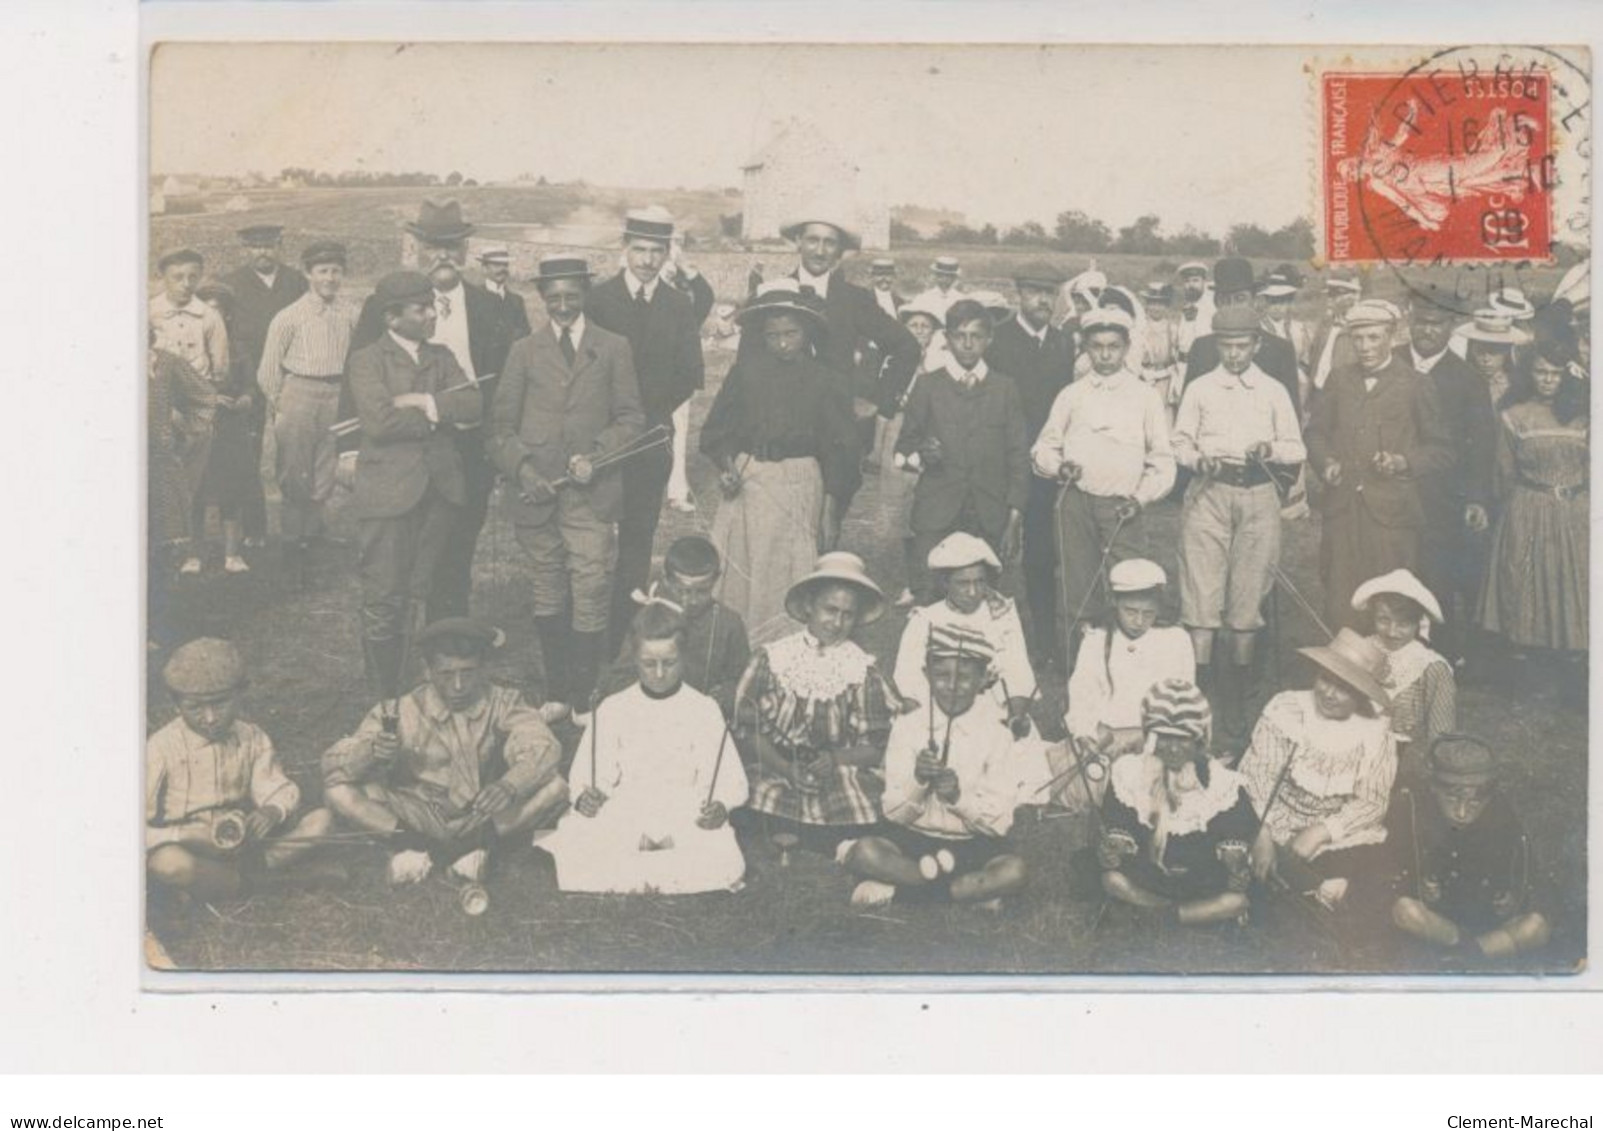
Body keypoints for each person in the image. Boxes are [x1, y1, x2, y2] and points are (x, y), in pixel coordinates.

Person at [490, 255, 646, 723]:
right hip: (537, 496)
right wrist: (523, 472)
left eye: (571, 296)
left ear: (585, 295)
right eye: (553, 296)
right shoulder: (523, 351)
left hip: (590, 496)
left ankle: (583, 696)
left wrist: (596, 458)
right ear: (541, 298)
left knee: (592, 585)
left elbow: (632, 419)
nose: (562, 304)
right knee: (547, 588)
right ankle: (557, 692)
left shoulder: (613, 347)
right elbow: (498, 427)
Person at [354, 200, 518, 622]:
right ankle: (406, 637)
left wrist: (503, 441)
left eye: (452, 245)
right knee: (405, 552)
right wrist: (346, 448)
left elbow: (508, 382)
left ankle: (451, 639)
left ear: (466, 250)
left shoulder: (493, 306)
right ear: (416, 246)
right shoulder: (384, 305)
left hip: (471, 443)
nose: (443, 255)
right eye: (433, 245)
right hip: (403, 449)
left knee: (459, 545)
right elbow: (356, 376)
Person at [323, 618, 566, 893]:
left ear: (484, 667)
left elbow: (542, 745)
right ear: (428, 671)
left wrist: (510, 785)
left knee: (555, 786)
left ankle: (452, 850)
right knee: (339, 792)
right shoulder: (400, 710)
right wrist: (370, 751)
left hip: (483, 813)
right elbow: (332, 765)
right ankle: (436, 849)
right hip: (418, 814)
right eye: (446, 674)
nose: (459, 686)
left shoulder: (504, 702)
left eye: (468, 672)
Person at [538, 602, 749, 894]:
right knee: (581, 838)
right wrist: (588, 795)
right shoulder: (614, 707)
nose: (659, 674)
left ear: (683, 657)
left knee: (726, 860)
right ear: (635, 658)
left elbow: (725, 775)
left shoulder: (704, 708)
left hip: (684, 807)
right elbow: (591, 770)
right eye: (649, 664)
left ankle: (632, 872)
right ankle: (666, 873)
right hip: (627, 806)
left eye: (670, 662)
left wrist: (720, 805)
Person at [1170, 305, 1306, 746]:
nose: (1233, 355)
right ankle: (1198, 693)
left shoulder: (1272, 391)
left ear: (1257, 344)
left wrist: (1270, 448)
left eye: (1242, 345)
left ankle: (1237, 697)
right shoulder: (1200, 388)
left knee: (1248, 597)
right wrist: (1196, 459)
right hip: (1209, 493)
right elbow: (1179, 441)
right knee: (1201, 593)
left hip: (1258, 496)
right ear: (1216, 346)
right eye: (1226, 346)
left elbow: (1295, 447)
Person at [346, 271, 483, 705]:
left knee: (434, 591)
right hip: (388, 495)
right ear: (392, 317)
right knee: (386, 596)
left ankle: (435, 690)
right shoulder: (367, 360)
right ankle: (386, 699)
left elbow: (474, 403)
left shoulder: (442, 356)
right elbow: (378, 422)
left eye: (432, 307)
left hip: (441, 491)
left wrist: (421, 402)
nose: (430, 315)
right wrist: (441, 412)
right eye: (421, 308)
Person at [701, 284, 861, 638]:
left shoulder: (826, 379)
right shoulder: (745, 373)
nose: (783, 343)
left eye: (791, 333)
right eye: (773, 336)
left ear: (807, 333)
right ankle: (741, 647)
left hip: (800, 482)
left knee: (789, 569)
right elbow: (715, 432)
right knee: (744, 568)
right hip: (750, 482)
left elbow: (842, 451)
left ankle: (787, 648)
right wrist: (727, 469)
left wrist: (830, 512)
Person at [586, 206, 713, 652]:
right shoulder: (597, 300)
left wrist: (649, 414)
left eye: (655, 251)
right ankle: (586, 626)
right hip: (601, 441)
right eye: (638, 249)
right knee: (593, 537)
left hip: (652, 439)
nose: (646, 260)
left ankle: (621, 633)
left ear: (667, 255)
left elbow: (689, 372)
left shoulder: (679, 305)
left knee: (637, 540)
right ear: (625, 250)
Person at [842, 624, 1030, 910]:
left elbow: (1000, 824)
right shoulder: (907, 727)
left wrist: (958, 798)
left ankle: (900, 893)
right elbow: (893, 813)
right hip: (914, 840)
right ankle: (963, 895)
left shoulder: (998, 736)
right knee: (865, 852)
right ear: (927, 675)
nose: (952, 685)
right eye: (941, 675)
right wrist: (917, 781)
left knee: (1015, 871)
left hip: (972, 843)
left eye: (965, 676)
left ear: (983, 679)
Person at [741, 216, 920, 509]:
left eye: (829, 243)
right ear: (798, 241)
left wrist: (876, 401)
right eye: (812, 240)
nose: (820, 250)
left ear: (840, 250)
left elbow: (907, 346)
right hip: (779, 431)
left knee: (826, 527)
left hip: (836, 434)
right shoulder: (771, 294)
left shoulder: (854, 299)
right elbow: (747, 365)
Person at [736, 553, 902, 857]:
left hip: (837, 767)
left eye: (847, 615)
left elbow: (877, 745)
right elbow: (746, 730)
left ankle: (814, 838)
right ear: (810, 605)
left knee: (861, 804)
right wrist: (785, 767)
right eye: (830, 610)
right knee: (750, 796)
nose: (837, 623)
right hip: (774, 763)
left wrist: (836, 758)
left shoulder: (861, 670)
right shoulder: (772, 658)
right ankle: (819, 839)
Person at [1031, 306, 1174, 651]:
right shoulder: (1072, 395)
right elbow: (1042, 449)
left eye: (1113, 346)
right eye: (1097, 346)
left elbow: (1163, 461)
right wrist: (1059, 466)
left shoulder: (1145, 397)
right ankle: (1080, 666)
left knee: (1131, 583)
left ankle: (1129, 658)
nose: (1105, 354)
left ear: (1126, 348)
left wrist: (1140, 499)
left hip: (1123, 507)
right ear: (1086, 347)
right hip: (1076, 503)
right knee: (1077, 585)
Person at [147, 639, 333, 903]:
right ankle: (274, 883)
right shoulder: (160, 748)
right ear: (175, 704)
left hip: (240, 843)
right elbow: (129, 827)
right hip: (187, 846)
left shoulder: (251, 737)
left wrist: (272, 811)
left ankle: (219, 883)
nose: (210, 718)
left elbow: (277, 789)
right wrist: (185, 835)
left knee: (322, 821)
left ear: (240, 695)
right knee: (170, 864)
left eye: (221, 704)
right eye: (195, 707)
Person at [1306, 300, 1453, 631]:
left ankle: (1389, 675)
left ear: (1392, 336)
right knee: (1340, 598)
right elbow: (1315, 432)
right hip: (1343, 511)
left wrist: (1403, 461)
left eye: (1374, 338)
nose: (1365, 347)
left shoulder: (1416, 383)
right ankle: (1345, 673)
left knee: (1390, 600)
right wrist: (1325, 462)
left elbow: (1441, 449)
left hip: (1391, 516)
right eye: (1357, 339)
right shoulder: (1339, 379)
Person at [1240, 628, 1398, 922]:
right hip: (1275, 816)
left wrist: (1320, 832)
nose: (1328, 692)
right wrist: (1262, 831)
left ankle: (1313, 890)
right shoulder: (1288, 709)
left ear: (1362, 695)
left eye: (1343, 688)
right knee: (1251, 850)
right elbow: (1256, 776)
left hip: (1330, 828)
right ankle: (1312, 891)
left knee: (1371, 859)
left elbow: (1372, 803)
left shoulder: (1376, 733)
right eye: (1325, 679)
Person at [1477, 332, 1589, 704]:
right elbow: (1503, 472)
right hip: (1529, 506)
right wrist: (1513, 511)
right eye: (1541, 372)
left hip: (1576, 510)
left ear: (1567, 376)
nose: (1547, 380)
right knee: (1526, 584)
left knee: (1573, 585)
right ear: (1530, 374)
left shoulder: (1583, 415)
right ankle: (1532, 674)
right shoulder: (1513, 415)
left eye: (1555, 374)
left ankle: (1575, 672)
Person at [896, 299, 1030, 605]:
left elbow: (1018, 457)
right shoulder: (928, 386)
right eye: (960, 335)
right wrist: (922, 455)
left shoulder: (1005, 388)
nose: (968, 344)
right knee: (930, 595)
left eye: (976, 336)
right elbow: (902, 450)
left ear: (989, 339)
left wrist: (1013, 519)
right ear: (946, 339)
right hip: (936, 511)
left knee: (984, 597)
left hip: (989, 513)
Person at [1096, 679, 1257, 925]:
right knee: (1112, 880)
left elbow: (1236, 834)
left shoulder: (1222, 786)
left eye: (1183, 739)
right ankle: (1179, 914)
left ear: (1200, 740)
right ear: (1150, 736)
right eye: (1164, 737)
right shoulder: (1128, 774)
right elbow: (1118, 822)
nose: (1172, 749)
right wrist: (1114, 848)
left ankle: (1157, 914)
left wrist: (1236, 863)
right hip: (1148, 875)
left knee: (1236, 899)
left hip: (1200, 880)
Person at [987, 261, 1077, 666]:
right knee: (992, 548)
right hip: (1001, 460)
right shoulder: (997, 339)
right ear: (1018, 295)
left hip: (1044, 465)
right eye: (1035, 292)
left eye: (1051, 293)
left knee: (1042, 554)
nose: (1044, 300)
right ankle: (986, 639)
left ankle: (1045, 642)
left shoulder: (1063, 343)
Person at [1390, 735, 1551, 959]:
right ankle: (1474, 953)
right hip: (1439, 923)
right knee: (1406, 911)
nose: (1462, 813)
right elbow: (1391, 879)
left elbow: (1525, 877)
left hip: (1486, 922)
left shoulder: (1502, 815)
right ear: (1435, 790)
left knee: (1536, 926)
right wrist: (1419, 888)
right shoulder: (1413, 812)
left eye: (1474, 802)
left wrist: (1512, 899)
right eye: (1453, 800)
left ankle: (1463, 955)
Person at [257, 241, 359, 585]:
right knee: (294, 475)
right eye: (323, 271)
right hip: (299, 393)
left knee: (324, 474)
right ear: (308, 274)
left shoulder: (350, 313)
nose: (330, 278)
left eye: (336, 271)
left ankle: (312, 544)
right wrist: (281, 404)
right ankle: (291, 552)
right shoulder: (289, 316)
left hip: (337, 395)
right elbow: (268, 370)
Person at [1406, 296, 1498, 667]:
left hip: (1444, 494)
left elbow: (1482, 443)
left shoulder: (1467, 377)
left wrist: (1476, 498)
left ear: (1449, 329)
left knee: (1438, 570)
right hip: (1392, 488)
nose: (1428, 330)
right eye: (1421, 322)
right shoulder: (1390, 361)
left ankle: (1440, 654)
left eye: (1437, 323)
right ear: (1409, 322)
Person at [893, 533, 1036, 734]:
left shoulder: (1001, 616)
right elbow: (908, 676)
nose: (972, 592)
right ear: (945, 584)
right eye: (963, 583)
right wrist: (924, 726)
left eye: (979, 582)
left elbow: (1017, 670)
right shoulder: (925, 619)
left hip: (993, 712)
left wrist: (1015, 716)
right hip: (938, 709)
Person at [598, 534, 751, 718]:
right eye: (683, 591)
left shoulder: (729, 623)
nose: (692, 600)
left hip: (705, 716)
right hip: (652, 713)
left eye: (702, 591)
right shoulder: (651, 619)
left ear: (717, 578)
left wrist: (726, 693)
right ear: (667, 579)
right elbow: (619, 678)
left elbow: (743, 678)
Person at [222, 224, 308, 546]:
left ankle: (300, 530)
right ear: (246, 250)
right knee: (249, 453)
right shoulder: (232, 284)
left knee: (295, 452)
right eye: (255, 247)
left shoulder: (297, 282)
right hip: (251, 379)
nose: (262, 253)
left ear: (280, 246)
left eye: (269, 246)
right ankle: (253, 528)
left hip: (290, 376)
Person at [1066, 559, 1196, 763]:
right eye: (1130, 611)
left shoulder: (1176, 640)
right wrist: (1085, 732)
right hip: (1104, 737)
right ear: (1115, 603)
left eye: (1148, 613)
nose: (1138, 622)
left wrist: (1143, 736)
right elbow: (1081, 694)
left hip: (1155, 740)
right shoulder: (1096, 639)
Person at [187, 280, 262, 575]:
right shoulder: (188, 347)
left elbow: (251, 386)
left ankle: (232, 554)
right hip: (198, 427)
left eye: (220, 312)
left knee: (231, 490)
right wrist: (206, 398)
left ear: (228, 316)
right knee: (196, 491)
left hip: (230, 428)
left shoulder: (238, 349)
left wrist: (244, 399)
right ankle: (195, 553)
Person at [1352, 569, 1456, 779]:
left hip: (1405, 757)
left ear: (1418, 623)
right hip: (1354, 746)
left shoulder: (1433, 667)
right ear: (1373, 616)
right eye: (1384, 620)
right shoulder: (1360, 650)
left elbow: (1441, 732)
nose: (1392, 631)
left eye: (1403, 624)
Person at [147, 332, 215, 643]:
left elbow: (204, 398)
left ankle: (156, 626)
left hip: (156, 468)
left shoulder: (165, 363)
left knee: (157, 548)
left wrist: (183, 434)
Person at [1183, 258, 1301, 413]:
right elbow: (1187, 413)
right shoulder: (1201, 348)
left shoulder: (1280, 350)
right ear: (1216, 303)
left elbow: (1290, 419)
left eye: (1240, 299)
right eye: (1225, 300)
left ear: (1253, 300)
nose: (1233, 308)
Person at [150, 248, 229, 385]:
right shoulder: (148, 311)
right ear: (163, 277)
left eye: (192, 277)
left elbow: (220, 365)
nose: (186, 284)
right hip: (159, 392)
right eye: (178, 278)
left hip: (199, 392)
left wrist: (210, 394)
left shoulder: (210, 315)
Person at [1457, 309, 1528, 419]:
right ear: (1471, 350)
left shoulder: (1517, 386)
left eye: (1494, 351)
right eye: (1480, 351)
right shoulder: (1461, 383)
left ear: (1506, 351)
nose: (1486, 359)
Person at [1307, 273, 1362, 401]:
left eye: (1335, 295)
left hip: (1343, 398)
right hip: (1318, 392)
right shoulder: (1325, 324)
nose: (1329, 300)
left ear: (1351, 298)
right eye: (1329, 295)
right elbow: (1313, 357)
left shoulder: (1358, 328)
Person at [1135, 280, 1183, 426]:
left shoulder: (1173, 328)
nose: (1156, 308)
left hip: (1165, 379)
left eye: (1160, 304)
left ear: (1167, 306)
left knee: (1164, 417)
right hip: (1144, 377)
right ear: (1146, 305)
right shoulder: (1139, 328)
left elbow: (1177, 355)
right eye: (1152, 303)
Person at [475, 245, 532, 339]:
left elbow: (525, 334)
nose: (502, 269)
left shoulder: (516, 301)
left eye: (505, 265)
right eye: (497, 265)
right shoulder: (473, 296)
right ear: (484, 269)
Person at [1172, 261, 1215, 367]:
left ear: (1204, 282)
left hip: (1203, 365)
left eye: (1195, 280)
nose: (1191, 285)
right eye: (1187, 281)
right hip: (1182, 365)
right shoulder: (1187, 306)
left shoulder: (1211, 307)